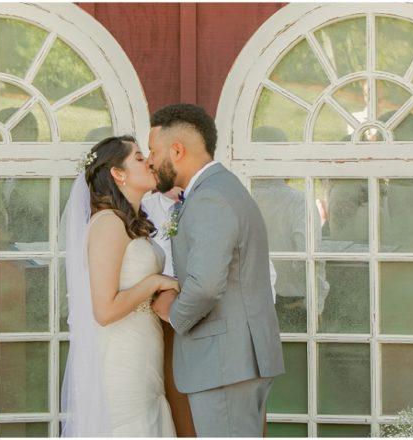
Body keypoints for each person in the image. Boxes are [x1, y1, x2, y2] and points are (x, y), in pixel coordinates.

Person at [147, 104, 284, 436]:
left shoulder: (210, 198)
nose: (150, 160)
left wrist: (172, 312)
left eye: (153, 151)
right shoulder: (221, 189)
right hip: (235, 360)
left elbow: (206, 285)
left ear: (177, 150)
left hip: (224, 362)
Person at [60, 135, 181, 437]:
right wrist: (155, 281)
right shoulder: (108, 224)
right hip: (120, 355)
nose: (149, 162)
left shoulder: (130, 222)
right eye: (139, 158)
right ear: (118, 173)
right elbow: (104, 309)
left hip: (144, 349)